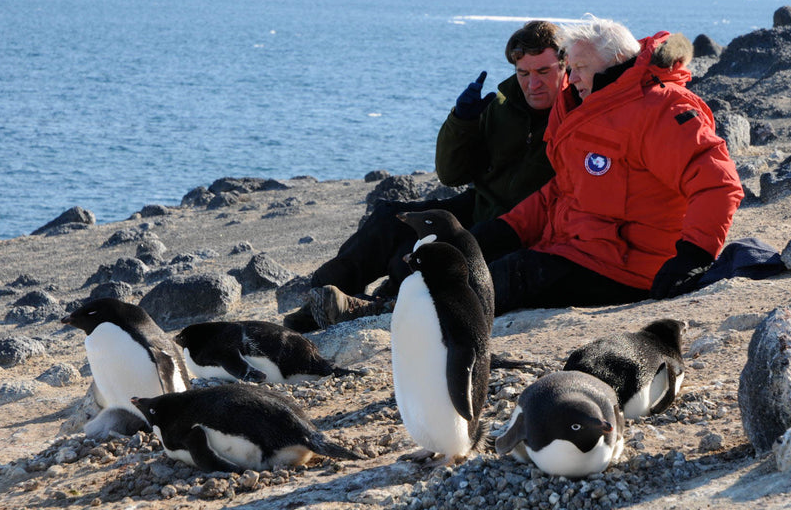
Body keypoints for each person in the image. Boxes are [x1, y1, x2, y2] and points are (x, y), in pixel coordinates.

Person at [284, 20, 568, 331]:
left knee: (417, 258)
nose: (532, 84)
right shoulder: (500, 105)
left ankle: (373, 309)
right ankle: (320, 299)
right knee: (388, 220)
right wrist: (462, 121)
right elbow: (451, 173)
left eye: (543, 72)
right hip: (480, 206)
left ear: (565, 66)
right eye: (523, 73)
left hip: (527, 227)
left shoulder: (579, 111)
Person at [473, 17, 744, 315]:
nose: (572, 79)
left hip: (629, 267)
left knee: (506, 277)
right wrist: (504, 229)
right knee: (470, 256)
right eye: (571, 68)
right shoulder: (587, 108)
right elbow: (562, 191)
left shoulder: (662, 108)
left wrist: (693, 256)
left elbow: (718, 184)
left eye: (581, 68)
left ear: (614, 62)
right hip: (577, 250)